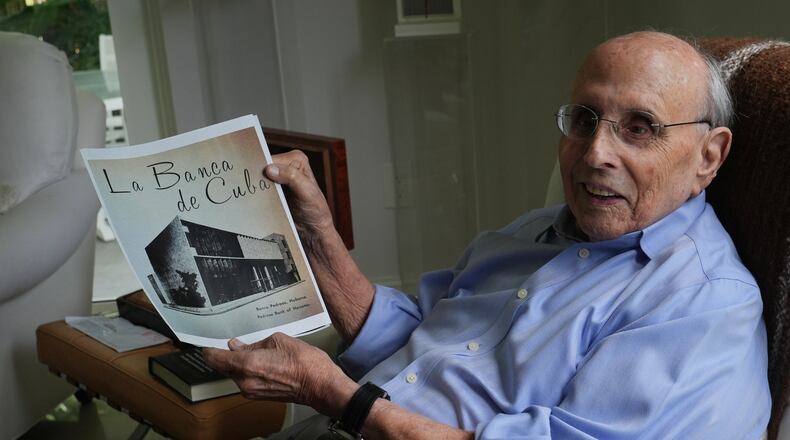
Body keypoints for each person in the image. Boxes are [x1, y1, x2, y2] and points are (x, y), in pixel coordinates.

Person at [204, 31, 771, 439]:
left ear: (708, 156)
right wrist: (316, 234)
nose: (596, 153)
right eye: (583, 119)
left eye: (639, 128)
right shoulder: (529, 233)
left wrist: (339, 398)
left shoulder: (703, 305)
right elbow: (412, 343)